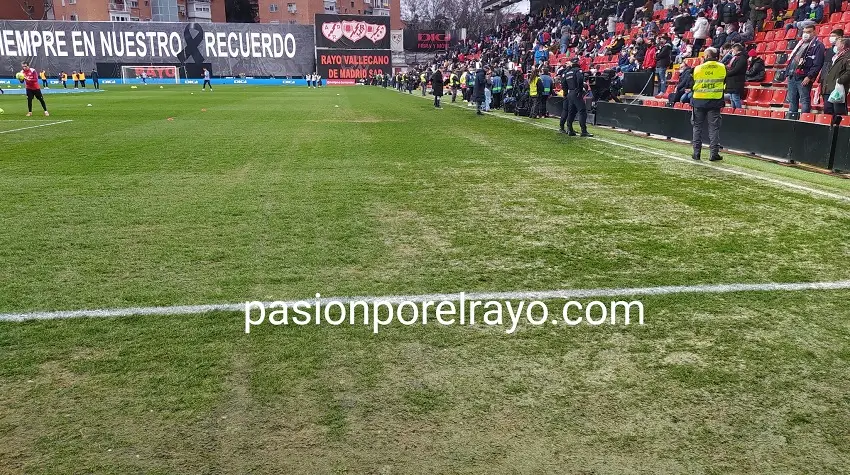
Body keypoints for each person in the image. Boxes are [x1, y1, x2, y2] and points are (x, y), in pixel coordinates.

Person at [690, 47, 725, 161]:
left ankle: (696, 153)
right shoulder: (722, 67)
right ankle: (714, 154)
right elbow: (725, 82)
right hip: (714, 101)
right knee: (714, 128)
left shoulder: (698, 68)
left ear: (706, 56)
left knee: (697, 127)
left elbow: (692, 84)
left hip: (698, 101)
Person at [785, 24, 824, 118]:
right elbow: (793, 59)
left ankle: (804, 121)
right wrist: (788, 73)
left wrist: (809, 76)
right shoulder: (800, 43)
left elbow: (817, 64)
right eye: (804, 32)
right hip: (792, 75)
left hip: (804, 77)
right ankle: (792, 121)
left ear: (814, 32)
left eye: (809, 32)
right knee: (792, 100)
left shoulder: (818, 45)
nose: (806, 34)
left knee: (804, 100)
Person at [559, 58, 593, 136]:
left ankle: (570, 129)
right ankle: (584, 131)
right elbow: (580, 79)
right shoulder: (578, 70)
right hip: (575, 92)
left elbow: (563, 83)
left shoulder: (567, 72)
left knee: (571, 112)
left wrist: (565, 92)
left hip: (569, 93)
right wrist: (579, 90)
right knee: (582, 111)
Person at [823, 38, 850, 116]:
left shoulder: (847, 56)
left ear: (842, 45)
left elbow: (849, 72)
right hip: (828, 87)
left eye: (837, 44)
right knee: (828, 112)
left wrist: (839, 81)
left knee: (839, 112)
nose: (835, 46)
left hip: (838, 89)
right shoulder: (836, 56)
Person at [724, 43, 747, 108]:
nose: (732, 51)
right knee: (731, 98)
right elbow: (730, 67)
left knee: (735, 98)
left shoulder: (742, 58)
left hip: (737, 81)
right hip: (732, 81)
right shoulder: (735, 57)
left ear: (737, 50)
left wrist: (727, 74)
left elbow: (736, 69)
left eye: (733, 50)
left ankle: (738, 112)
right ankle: (733, 111)